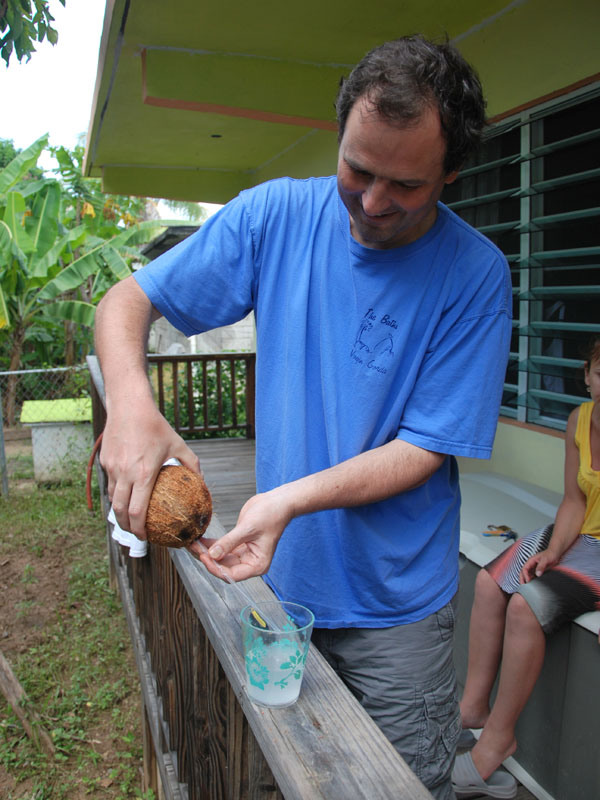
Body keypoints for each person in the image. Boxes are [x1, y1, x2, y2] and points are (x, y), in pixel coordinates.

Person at [95, 36, 512, 799]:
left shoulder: (476, 273)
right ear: (340, 135)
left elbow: (422, 449)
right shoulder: (274, 216)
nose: (374, 201)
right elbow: (128, 300)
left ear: (452, 173)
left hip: (399, 614)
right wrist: (130, 404)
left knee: (396, 786)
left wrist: (285, 499)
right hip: (282, 594)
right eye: (358, 169)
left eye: (407, 184)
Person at [452, 336, 600, 800]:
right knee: (491, 583)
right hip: (579, 533)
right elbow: (576, 501)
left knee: (526, 605)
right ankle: (472, 709)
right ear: (588, 374)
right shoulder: (581, 419)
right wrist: (555, 549)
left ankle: (498, 739)